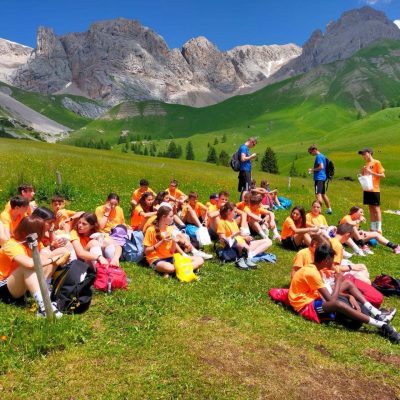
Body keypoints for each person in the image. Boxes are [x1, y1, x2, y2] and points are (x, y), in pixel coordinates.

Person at [288, 243, 399, 343]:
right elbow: (331, 300)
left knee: (348, 283)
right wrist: (338, 280)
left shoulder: (315, 269)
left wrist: (348, 295)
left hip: (313, 297)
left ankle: (377, 313)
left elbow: (327, 291)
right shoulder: (312, 273)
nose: (334, 263)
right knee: (338, 304)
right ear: (326, 260)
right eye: (332, 260)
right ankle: (382, 325)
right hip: (306, 307)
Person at [0, 216, 70, 317]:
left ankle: (45, 293)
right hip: (5, 288)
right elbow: (30, 264)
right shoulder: (11, 245)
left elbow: (44, 255)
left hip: (22, 284)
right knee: (28, 267)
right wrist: (52, 260)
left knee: (55, 252)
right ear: (34, 232)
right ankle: (45, 307)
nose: (45, 232)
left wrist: (61, 253)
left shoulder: (32, 242)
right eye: (43, 230)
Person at [143, 206, 204, 278]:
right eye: (171, 216)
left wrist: (174, 241)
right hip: (156, 259)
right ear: (163, 217)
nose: (173, 218)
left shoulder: (170, 229)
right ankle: (187, 269)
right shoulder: (151, 230)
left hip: (171, 258)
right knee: (170, 268)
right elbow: (146, 251)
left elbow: (172, 252)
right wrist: (161, 242)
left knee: (200, 259)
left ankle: (173, 271)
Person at [217, 202, 272, 270]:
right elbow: (222, 240)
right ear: (229, 212)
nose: (236, 213)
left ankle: (250, 255)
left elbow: (238, 236)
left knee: (268, 241)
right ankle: (247, 255)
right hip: (235, 246)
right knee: (244, 246)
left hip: (243, 243)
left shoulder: (233, 221)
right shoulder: (222, 222)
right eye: (234, 212)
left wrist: (245, 237)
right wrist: (234, 235)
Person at [358, 147, 385, 233]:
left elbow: (382, 175)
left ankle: (379, 228)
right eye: (362, 155)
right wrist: (363, 172)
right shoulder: (366, 164)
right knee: (371, 209)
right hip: (367, 189)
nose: (363, 156)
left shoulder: (377, 162)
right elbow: (366, 176)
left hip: (374, 189)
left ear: (369, 153)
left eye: (364, 154)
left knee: (376, 209)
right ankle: (373, 228)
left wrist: (371, 172)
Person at [308, 145, 332, 214]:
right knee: (323, 194)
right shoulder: (323, 156)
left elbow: (321, 167)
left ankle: (318, 211)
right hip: (323, 177)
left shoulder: (318, 157)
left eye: (310, 152)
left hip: (319, 178)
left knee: (318, 194)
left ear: (314, 150)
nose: (311, 154)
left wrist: (312, 170)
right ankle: (329, 209)